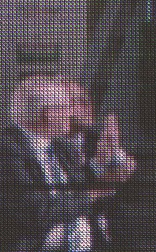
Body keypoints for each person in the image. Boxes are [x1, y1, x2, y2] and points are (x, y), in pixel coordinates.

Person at [0, 76, 100, 252]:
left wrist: (101, 167)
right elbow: (37, 213)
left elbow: (80, 188)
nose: (71, 114)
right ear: (47, 114)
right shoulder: (3, 152)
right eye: (66, 107)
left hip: (76, 236)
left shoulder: (61, 146)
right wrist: (91, 195)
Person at [56, 79, 135, 250]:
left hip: (110, 233)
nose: (88, 106)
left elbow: (125, 184)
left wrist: (123, 164)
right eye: (79, 101)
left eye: (88, 100)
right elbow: (65, 197)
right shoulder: (47, 146)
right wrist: (100, 169)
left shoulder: (96, 139)